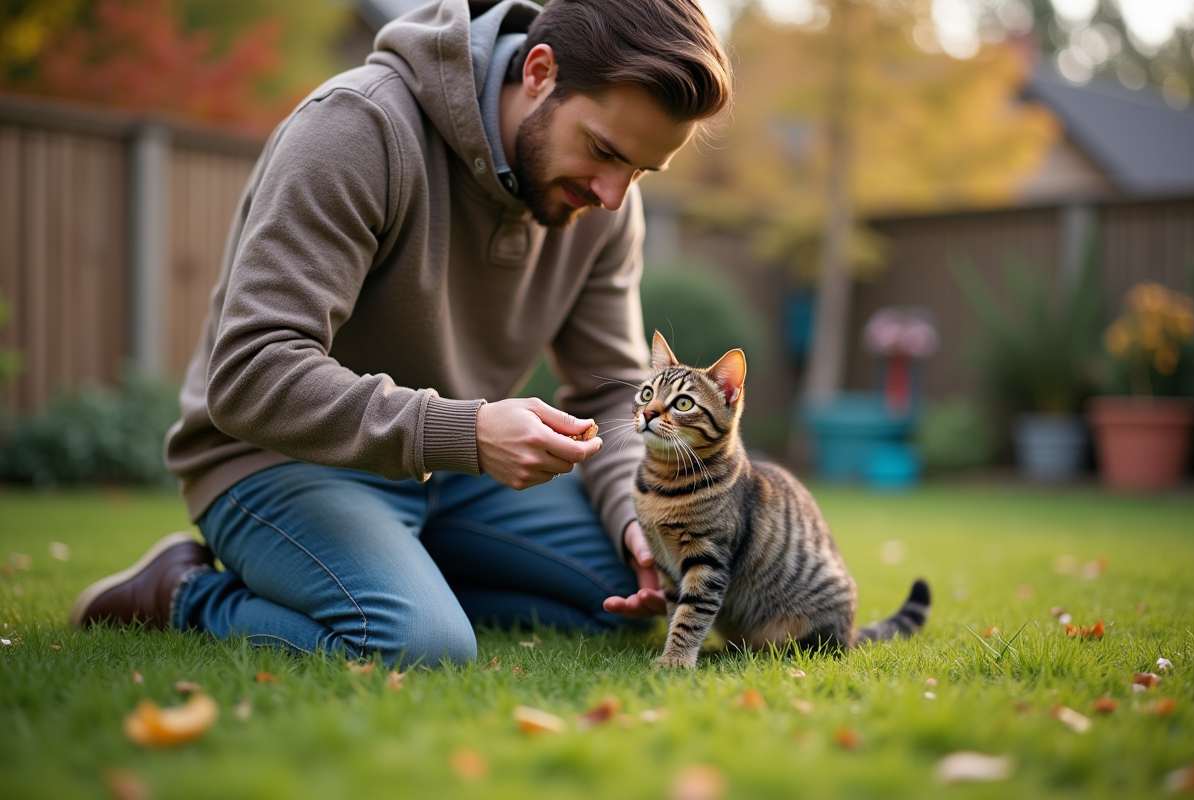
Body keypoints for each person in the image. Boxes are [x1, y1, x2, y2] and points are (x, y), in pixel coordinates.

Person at [69, 0, 732, 668]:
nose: (614, 196)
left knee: (642, 587)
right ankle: (180, 594)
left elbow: (605, 392)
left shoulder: (604, 205)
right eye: (604, 151)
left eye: (641, 171)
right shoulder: (359, 128)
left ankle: (401, 576)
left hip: (453, 473)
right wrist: (466, 432)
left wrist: (632, 522)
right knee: (417, 647)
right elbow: (249, 373)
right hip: (280, 460)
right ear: (538, 71)